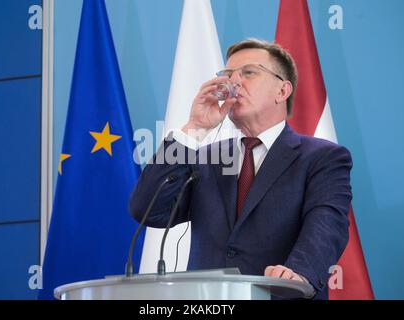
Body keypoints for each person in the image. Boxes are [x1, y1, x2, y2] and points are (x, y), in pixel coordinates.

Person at [129, 38, 352, 300]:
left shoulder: (323, 157)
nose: (233, 83)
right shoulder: (205, 156)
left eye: (249, 73)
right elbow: (149, 210)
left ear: (282, 91)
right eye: (227, 75)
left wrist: (298, 273)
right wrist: (194, 128)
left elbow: (327, 224)